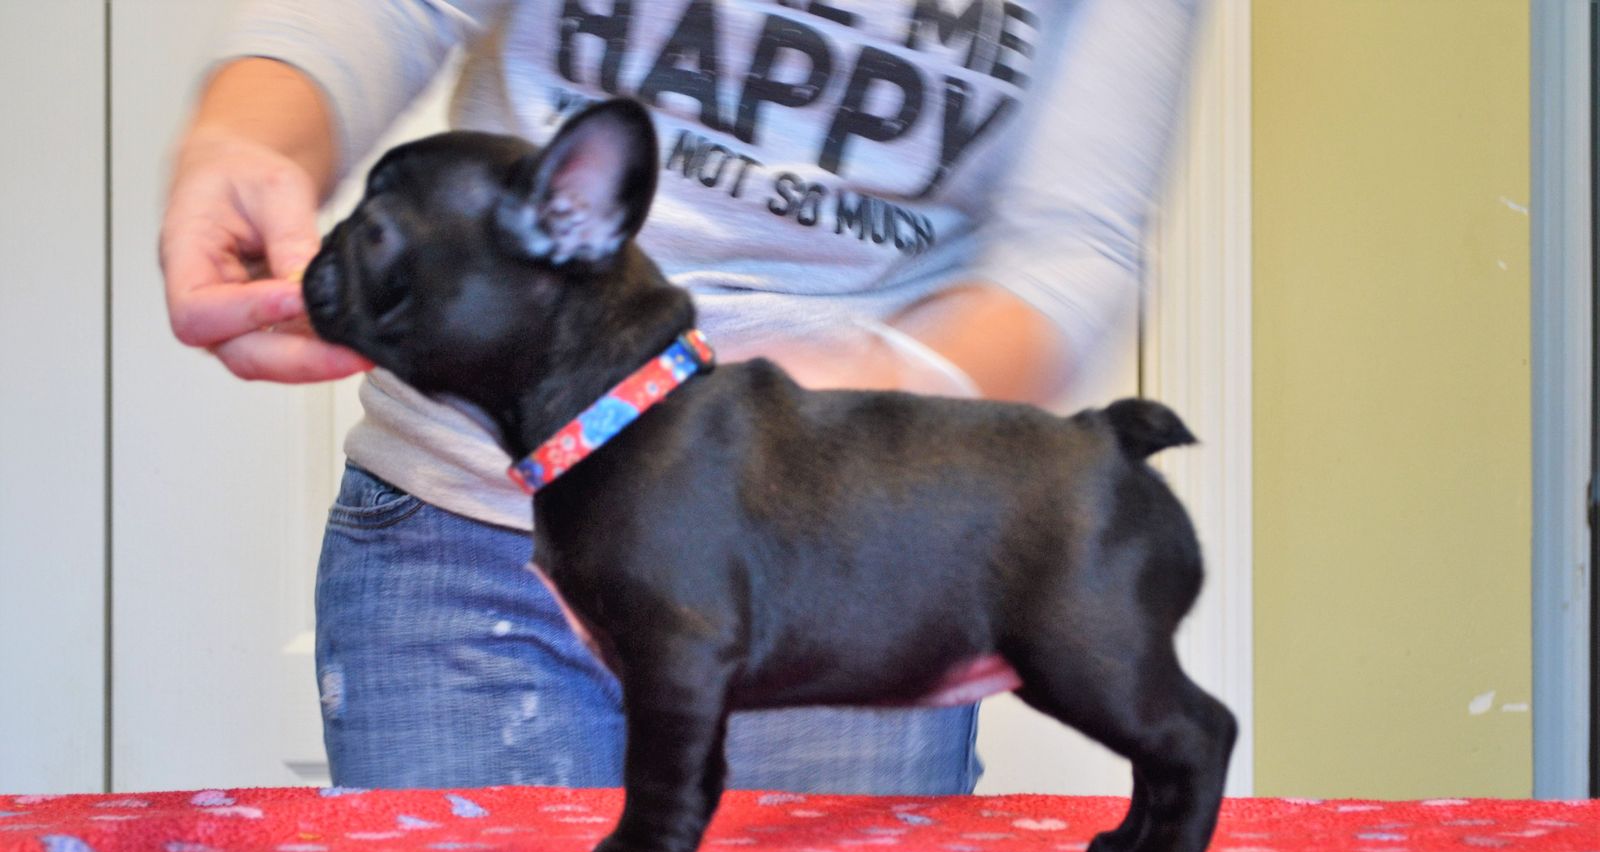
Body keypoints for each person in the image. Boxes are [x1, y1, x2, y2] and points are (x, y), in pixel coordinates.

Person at [161, 0, 1202, 793]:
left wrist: (894, 402)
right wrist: (245, 143)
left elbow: (1073, 245)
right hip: (464, 523)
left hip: (824, 549)